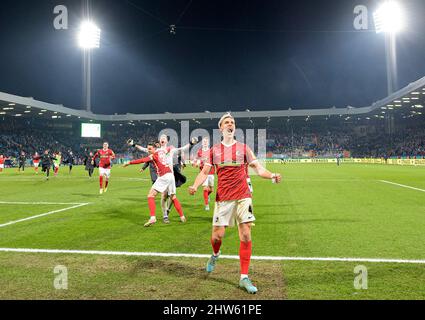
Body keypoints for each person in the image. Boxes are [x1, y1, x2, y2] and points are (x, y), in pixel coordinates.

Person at [189, 113, 282, 294]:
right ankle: (215, 255)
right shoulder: (214, 151)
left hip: (243, 196)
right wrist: (194, 185)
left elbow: (258, 168)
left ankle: (244, 277)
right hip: (223, 198)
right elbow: (205, 172)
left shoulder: (244, 148)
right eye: (227, 122)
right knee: (217, 237)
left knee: (246, 234)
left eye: (232, 122)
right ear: (221, 128)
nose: (230, 124)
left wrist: (272, 175)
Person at [124, 141, 192, 227]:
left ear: (154, 148)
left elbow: (142, 160)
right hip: (171, 175)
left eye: (150, 149)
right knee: (173, 197)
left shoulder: (154, 155)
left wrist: (129, 163)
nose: (148, 150)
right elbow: (172, 149)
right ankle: (182, 216)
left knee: (150, 195)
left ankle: (153, 218)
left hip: (163, 176)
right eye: (148, 149)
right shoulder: (162, 151)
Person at [194, 137, 215, 211]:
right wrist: (196, 163)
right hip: (203, 173)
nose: (205, 142)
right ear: (202, 143)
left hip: (211, 172)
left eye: (206, 141)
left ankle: (207, 196)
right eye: (204, 141)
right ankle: (207, 205)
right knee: (205, 189)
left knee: (211, 189)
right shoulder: (199, 151)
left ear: (208, 143)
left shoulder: (211, 151)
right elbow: (196, 160)